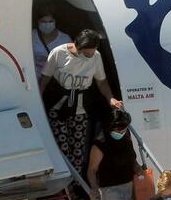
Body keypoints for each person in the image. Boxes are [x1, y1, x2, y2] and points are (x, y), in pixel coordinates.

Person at [40, 29, 123, 178]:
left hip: (80, 108)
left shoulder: (95, 57)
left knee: (78, 150)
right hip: (58, 105)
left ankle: (76, 185)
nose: (90, 57)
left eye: (92, 53)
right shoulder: (58, 53)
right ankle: (63, 184)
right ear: (77, 46)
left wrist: (111, 98)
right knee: (62, 147)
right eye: (86, 54)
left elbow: (101, 82)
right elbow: (44, 79)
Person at [32, 10, 72, 78]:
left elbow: (71, 60)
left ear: (55, 22)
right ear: (38, 22)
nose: (47, 24)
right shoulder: (30, 35)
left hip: (55, 78)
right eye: (43, 22)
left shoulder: (65, 39)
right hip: (34, 76)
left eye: (50, 21)